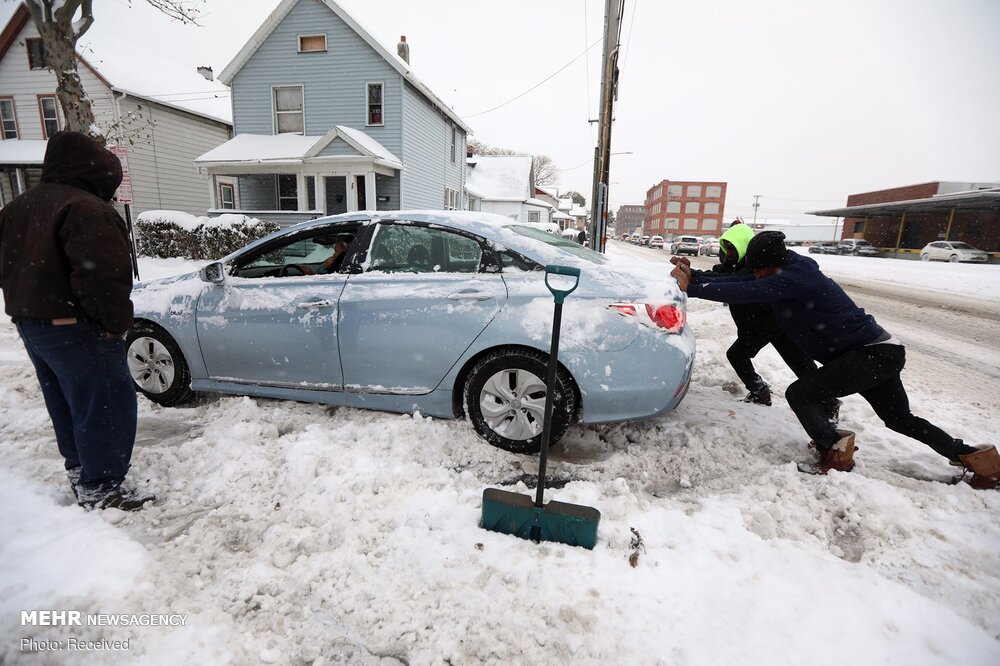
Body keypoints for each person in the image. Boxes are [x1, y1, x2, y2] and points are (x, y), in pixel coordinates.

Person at [670, 231, 999, 487]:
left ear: (774, 264)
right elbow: (743, 279)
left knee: (800, 393)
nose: (756, 276)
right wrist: (695, 276)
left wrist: (694, 288)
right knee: (898, 419)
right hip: (881, 351)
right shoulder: (786, 267)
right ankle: (979, 459)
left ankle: (835, 450)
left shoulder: (794, 278)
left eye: (761, 270)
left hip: (870, 354)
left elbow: (749, 290)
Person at [0, 131, 152, 510]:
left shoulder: (17, 206)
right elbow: (103, 278)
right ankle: (101, 488)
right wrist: (114, 325)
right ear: (96, 171)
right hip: (76, 325)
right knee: (105, 404)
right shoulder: (86, 209)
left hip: (31, 324)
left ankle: (80, 470)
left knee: (66, 401)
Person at [670, 223, 829, 410]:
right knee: (799, 362)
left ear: (743, 245)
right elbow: (719, 276)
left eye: (732, 247)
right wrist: (692, 274)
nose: (728, 252)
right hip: (766, 324)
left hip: (765, 323)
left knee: (740, 355)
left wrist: (692, 286)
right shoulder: (733, 264)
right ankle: (824, 399)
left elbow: (736, 283)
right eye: (726, 247)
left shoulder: (755, 266)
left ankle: (762, 391)